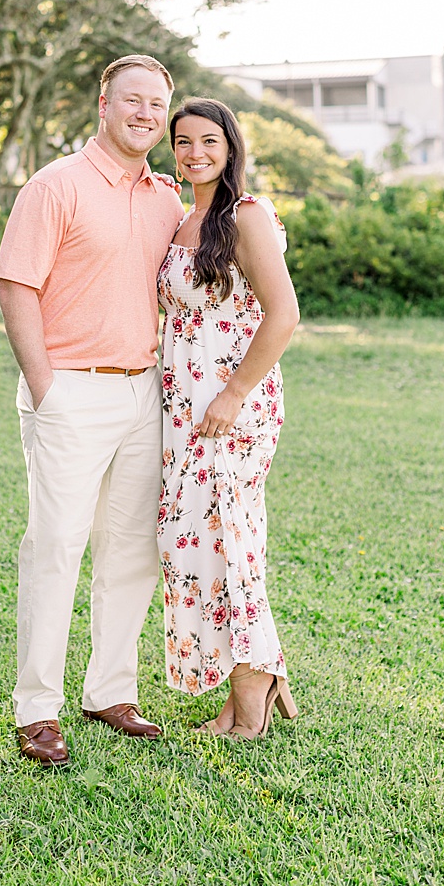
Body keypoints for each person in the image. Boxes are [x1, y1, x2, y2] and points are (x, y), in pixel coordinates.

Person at [0, 55, 185, 767]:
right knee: (56, 548)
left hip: (145, 393)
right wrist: (46, 389)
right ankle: (36, 711)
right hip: (70, 389)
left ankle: (110, 691)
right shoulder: (55, 186)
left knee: (130, 551)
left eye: (156, 105)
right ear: (103, 102)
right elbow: (16, 287)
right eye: (132, 100)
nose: (145, 114)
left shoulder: (166, 196)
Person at [158, 97, 301, 738]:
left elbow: (284, 313)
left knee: (227, 541)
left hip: (230, 406)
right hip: (183, 404)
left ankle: (253, 696)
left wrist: (233, 393)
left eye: (207, 141)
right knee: (193, 542)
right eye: (183, 142)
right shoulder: (186, 218)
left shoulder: (246, 216)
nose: (195, 153)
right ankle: (254, 674)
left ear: (231, 145)